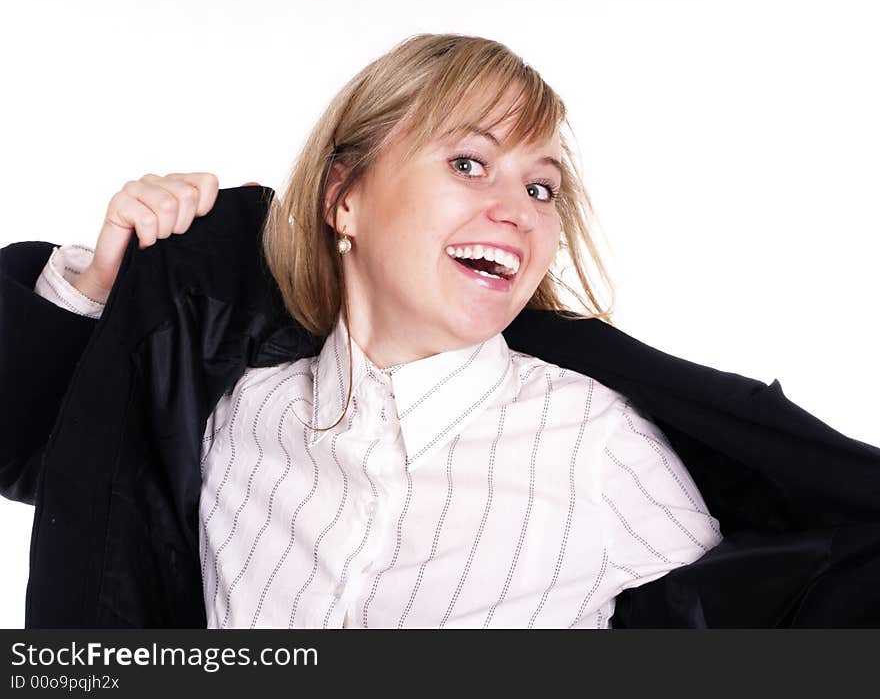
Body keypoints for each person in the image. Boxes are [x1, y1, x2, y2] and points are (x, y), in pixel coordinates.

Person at [4, 34, 878, 628]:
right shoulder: (230, 412)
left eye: (541, 188)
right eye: (469, 162)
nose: (517, 211)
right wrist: (103, 286)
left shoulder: (595, 440)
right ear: (344, 198)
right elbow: (55, 472)